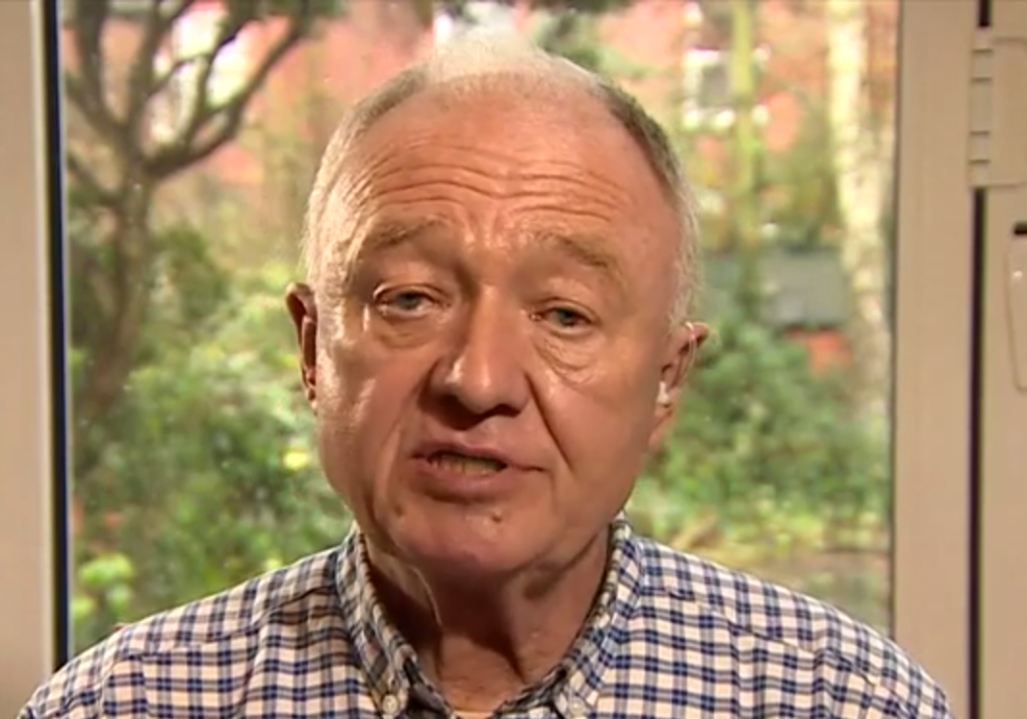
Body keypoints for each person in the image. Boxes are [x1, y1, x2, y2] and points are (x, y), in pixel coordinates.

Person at [21, 34, 953, 719]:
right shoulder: (126, 701)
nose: (476, 379)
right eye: (409, 298)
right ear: (312, 349)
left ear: (667, 380)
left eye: (563, 314)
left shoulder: (839, 698)